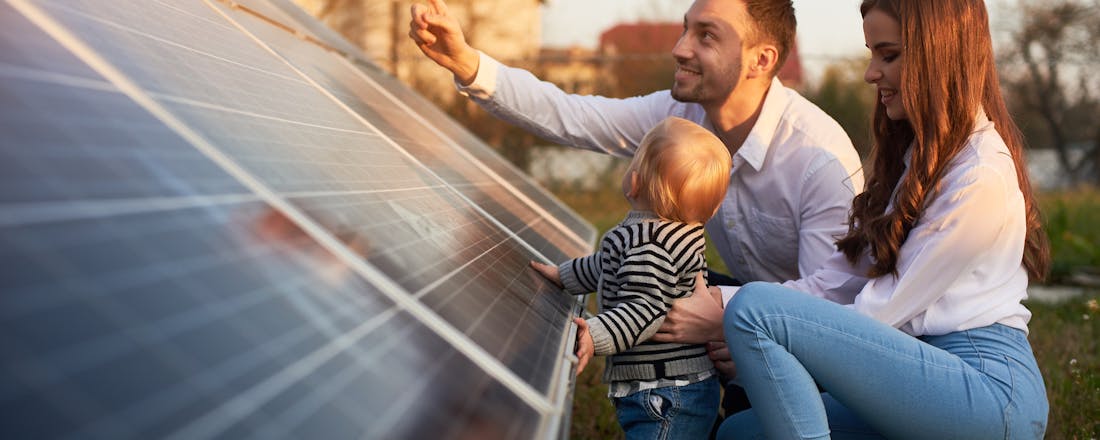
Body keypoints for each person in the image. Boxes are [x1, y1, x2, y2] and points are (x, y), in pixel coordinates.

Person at [409, 0, 865, 418]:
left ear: (761, 60)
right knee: (653, 283)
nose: (680, 48)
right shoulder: (679, 119)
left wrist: (730, 316)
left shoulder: (816, 159)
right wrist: (468, 64)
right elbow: (574, 116)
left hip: (820, 348)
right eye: (686, 29)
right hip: (744, 314)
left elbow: (835, 302)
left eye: (706, 35)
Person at [692, 0, 1052, 438]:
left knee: (754, 311)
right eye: (872, 54)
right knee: (740, 434)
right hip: (913, 374)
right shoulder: (917, 162)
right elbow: (839, 281)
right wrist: (717, 305)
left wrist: (752, 334)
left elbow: (882, 312)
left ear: (937, 53)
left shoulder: (979, 175)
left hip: (985, 391)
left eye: (889, 55)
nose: (870, 73)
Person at [531, 117, 731, 439]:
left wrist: (595, 335)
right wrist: (564, 275)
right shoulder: (670, 234)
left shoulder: (648, 244)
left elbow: (644, 309)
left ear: (633, 182)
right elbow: (606, 265)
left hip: (664, 393)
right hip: (680, 387)